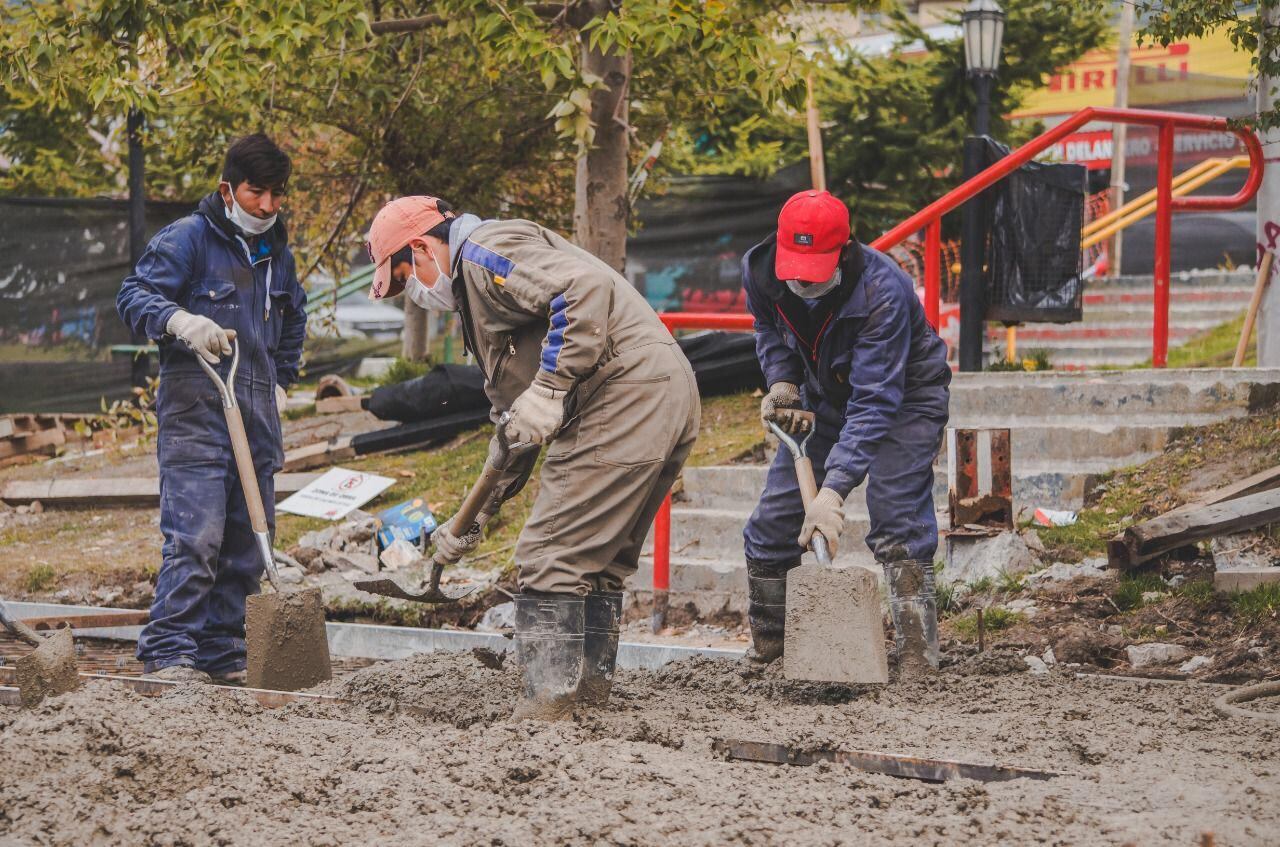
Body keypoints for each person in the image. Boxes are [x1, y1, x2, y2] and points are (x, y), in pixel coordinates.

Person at [365, 196, 700, 717]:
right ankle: (586, 699)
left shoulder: (481, 254)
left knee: (549, 558)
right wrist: (473, 517)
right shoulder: (479, 300)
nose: (414, 294)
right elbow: (512, 431)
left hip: (623, 392)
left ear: (419, 247)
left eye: (406, 278)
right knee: (599, 564)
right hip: (661, 387)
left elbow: (584, 289)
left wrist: (549, 386)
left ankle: (546, 712)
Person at [117, 134, 306, 684]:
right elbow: (133, 296)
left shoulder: (276, 252)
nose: (268, 206)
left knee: (248, 546)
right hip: (196, 415)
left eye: (277, 194)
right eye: (256, 193)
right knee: (196, 539)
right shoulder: (189, 240)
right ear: (228, 189)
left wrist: (281, 381)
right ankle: (169, 652)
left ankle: (223, 654)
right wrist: (180, 321)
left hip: (256, 419)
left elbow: (293, 319)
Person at [741, 190, 951, 676]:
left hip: (906, 396)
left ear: (844, 250)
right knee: (772, 526)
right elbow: (768, 329)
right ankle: (772, 650)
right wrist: (782, 381)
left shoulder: (884, 293)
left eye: (812, 271)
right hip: (821, 394)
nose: (798, 281)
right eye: (793, 268)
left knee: (897, 516)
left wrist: (832, 491)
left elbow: (876, 402)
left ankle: (917, 655)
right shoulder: (761, 270)